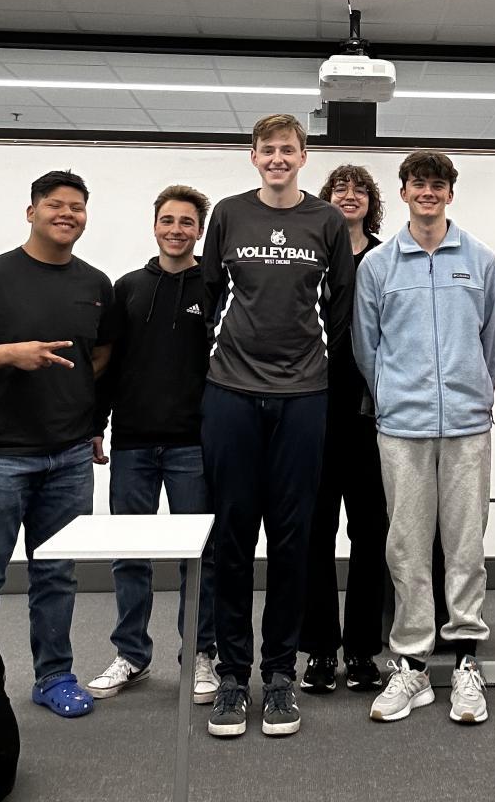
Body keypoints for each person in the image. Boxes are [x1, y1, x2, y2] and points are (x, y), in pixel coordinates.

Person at [0, 170, 113, 717]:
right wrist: (10, 353)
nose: (67, 214)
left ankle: (54, 676)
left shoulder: (96, 284)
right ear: (31, 212)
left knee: (56, 572)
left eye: (77, 207)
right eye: (55, 204)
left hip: (69, 456)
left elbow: (101, 357)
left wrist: (85, 416)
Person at [201, 113, 354, 739]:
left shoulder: (326, 221)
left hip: (303, 396)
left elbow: (340, 308)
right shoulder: (228, 215)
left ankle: (281, 674)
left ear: (303, 156)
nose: (277, 158)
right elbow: (211, 294)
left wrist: (314, 370)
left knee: (293, 539)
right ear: (254, 156)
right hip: (231, 393)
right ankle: (234, 677)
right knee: (233, 538)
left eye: (287, 149)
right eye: (267, 149)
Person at [353, 150, 495, 726]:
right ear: (404, 192)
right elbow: (367, 346)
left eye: (437, 184)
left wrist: (473, 394)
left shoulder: (481, 261)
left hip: (466, 427)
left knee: (466, 545)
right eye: (418, 183)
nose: (428, 192)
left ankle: (466, 661)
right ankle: (412, 664)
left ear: (449, 193)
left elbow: (491, 341)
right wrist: (394, 396)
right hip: (402, 428)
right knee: (407, 547)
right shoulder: (379, 266)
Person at [88, 184, 217, 705]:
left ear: (199, 231)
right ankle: (132, 654)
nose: (176, 230)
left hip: (193, 444)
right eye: (168, 220)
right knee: (130, 555)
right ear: (155, 224)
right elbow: (108, 364)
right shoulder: (127, 288)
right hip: (133, 444)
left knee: (197, 557)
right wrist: (96, 424)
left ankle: (201, 653)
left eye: (186, 222)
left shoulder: (215, 284)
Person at [300, 165, 388, 695]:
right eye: (340, 188)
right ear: (326, 199)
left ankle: (361, 650)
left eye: (359, 190)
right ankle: (318, 649)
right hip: (312, 410)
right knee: (315, 533)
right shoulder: (310, 254)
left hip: (372, 415)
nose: (349, 196)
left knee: (370, 533)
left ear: (371, 203)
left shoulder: (387, 257)